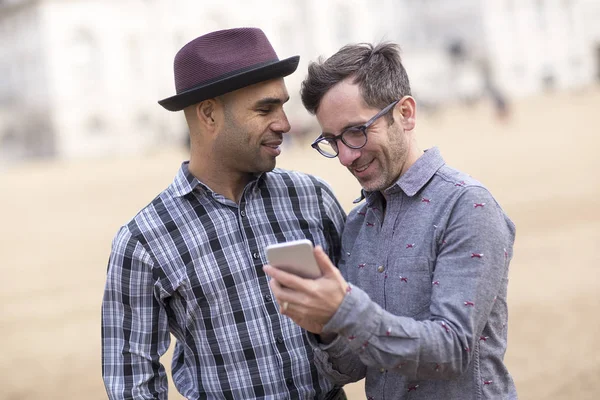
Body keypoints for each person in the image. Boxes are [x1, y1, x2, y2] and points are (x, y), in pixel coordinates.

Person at [101, 27, 347, 399]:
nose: (284, 123)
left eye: (282, 105)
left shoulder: (312, 198)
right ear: (209, 115)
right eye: (265, 108)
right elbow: (131, 382)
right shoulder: (143, 241)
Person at [264, 42, 517, 399]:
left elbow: (451, 351)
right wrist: (325, 328)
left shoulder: (467, 206)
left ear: (406, 113)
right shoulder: (357, 224)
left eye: (356, 131)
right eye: (333, 140)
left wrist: (345, 309)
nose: (345, 156)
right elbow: (351, 369)